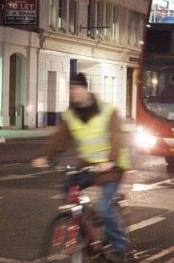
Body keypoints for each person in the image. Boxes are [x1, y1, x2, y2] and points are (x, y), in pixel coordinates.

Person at [31, 72, 131, 262]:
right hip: (88, 166)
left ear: (86, 89)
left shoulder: (107, 111)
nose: (73, 92)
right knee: (68, 188)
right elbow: (59, 138)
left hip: (112, 167)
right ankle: (81, 226)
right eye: (71, 89)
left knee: (103, 207)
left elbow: (117, 137)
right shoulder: (71, 115)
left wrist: (110, 160)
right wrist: (45, 156)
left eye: (77, 88)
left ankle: (119, 247)